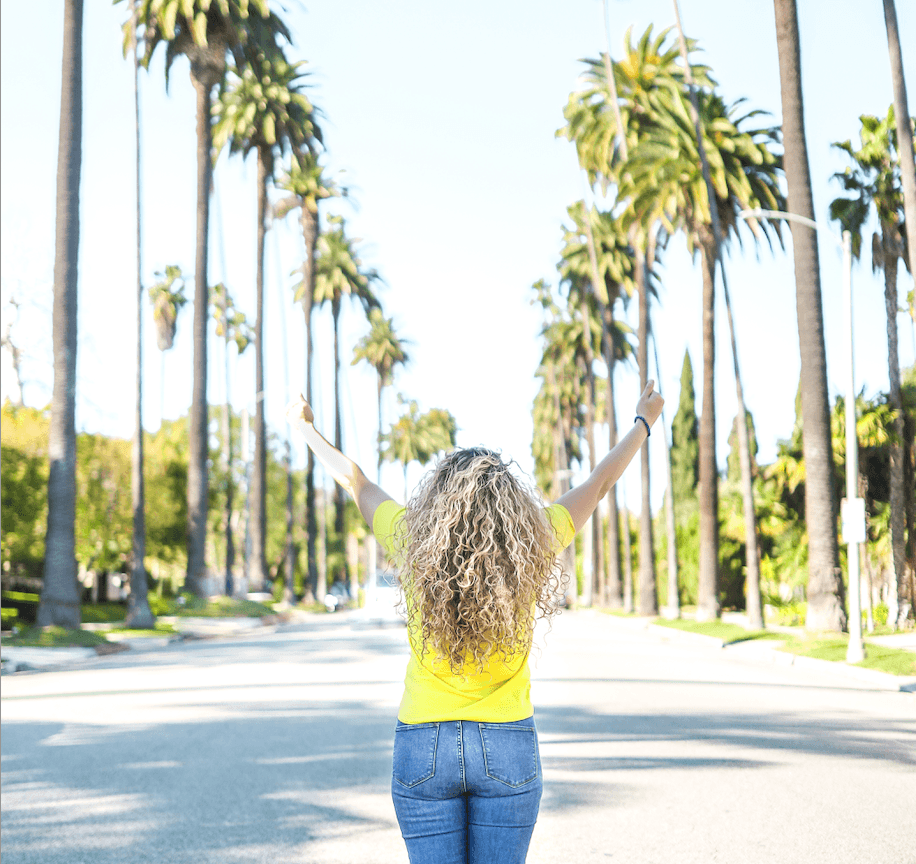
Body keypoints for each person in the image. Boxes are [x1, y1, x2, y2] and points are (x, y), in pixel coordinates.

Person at [286, 381, 664, 864]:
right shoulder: (537, 536)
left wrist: (306, 430)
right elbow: (599, 482)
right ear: (510, 506)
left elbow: (354, 480)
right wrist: (643, 422)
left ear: (438, 504)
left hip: (423, 743)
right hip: (507, 743)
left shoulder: (410, 538)